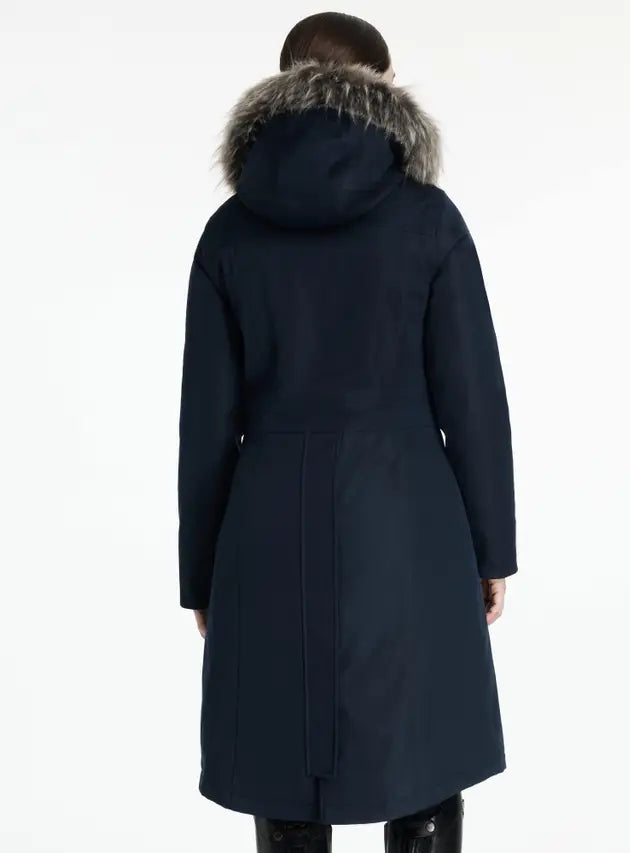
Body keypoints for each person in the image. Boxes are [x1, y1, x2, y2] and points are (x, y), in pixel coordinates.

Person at [178, 11, 517, 853]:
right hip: (411, 518)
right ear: (384, 87)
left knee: (280, 767)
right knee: (425, 756)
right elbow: (472, 396)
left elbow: (206, 422)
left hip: (266, 525)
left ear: (281, 86)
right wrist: (491, 549)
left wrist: (202, 573)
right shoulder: (429, 220)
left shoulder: (231, 232)